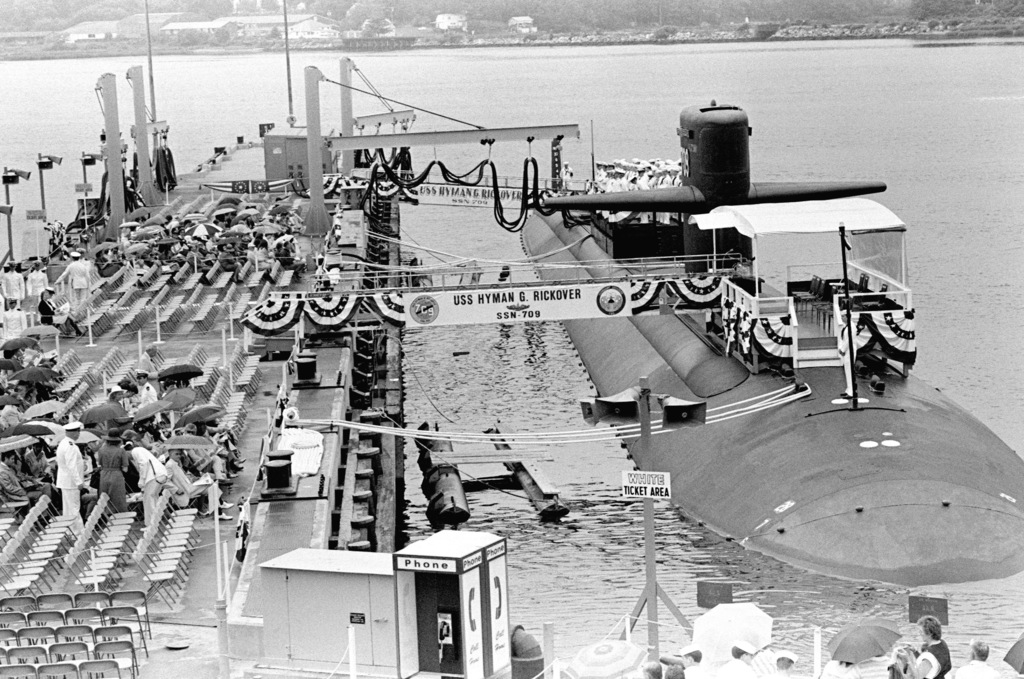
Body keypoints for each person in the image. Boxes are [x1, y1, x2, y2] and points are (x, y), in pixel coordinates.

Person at [126, 431, 167, 527]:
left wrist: (142, 480)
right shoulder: (140, 451)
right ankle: (156, 522)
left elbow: (144, 464)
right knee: (153, 498)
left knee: (148, 500)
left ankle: (151, 525)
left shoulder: (136, 451)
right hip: (159, 474)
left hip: (155, 475)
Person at [55, 421, 86, 534]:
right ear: (73, 433)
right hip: (71, 481)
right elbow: (71, 465)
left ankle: (70, 531)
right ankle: (79, 532)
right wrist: (78, 481)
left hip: (66, 480)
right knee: (74, 508)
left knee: (68, 508)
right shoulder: (70, 446)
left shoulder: (64, 443)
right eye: (78, 432)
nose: (78, 434)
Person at [96, 431, 131, 514]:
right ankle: (121, 517)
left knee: (105, 498)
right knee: (119, 499)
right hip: (116, 475)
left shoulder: (101, 450)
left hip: (104, 475)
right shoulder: (121, 451)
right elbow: (125, 468)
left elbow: (100, 464)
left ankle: (108, 517)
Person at [54, 251, 92, 323]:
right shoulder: (82, 265)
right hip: (83, 283)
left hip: (76, 283)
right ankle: (82, 313)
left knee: (77, 299)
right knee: (83, 299)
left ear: (72, 258)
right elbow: (87, 276)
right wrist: (88, 283)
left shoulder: (71, 265)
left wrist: (58, 281)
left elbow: (64, 274)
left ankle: (78, 314)